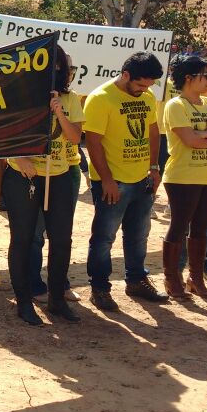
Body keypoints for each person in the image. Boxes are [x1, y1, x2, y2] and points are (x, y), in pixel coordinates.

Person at [1, 45, 83, 325]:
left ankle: (57, 300)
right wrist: (18, 157)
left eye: (57, 65)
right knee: (23, 239)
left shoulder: (71, 100)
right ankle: (23, 301)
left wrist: (60, 112)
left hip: (58, 175)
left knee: (61, 240)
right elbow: (1, 134)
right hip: (22, 176)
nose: (53, 70)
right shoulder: (18, 96)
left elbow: (74, 138)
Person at [84, 52, 168, 311]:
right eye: (140, 85)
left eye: (149, 86)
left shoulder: (147, 97)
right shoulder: (100, 98)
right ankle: (99, 289)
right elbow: (93, 142)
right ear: (125, 75)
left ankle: (136, 280)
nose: (144, 90)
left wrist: (154, 168)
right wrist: (106, 180)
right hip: (114, 183)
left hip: (142, 179)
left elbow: (153, 132)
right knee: (103, 238)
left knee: (139, 234)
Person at [160, 56, 207, 299]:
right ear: (189, 78)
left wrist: (205, 135)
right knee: (179, 227)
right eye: (205, 75)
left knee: (202, 228)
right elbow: (189, 141)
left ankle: (195, 278)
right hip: (183, 175)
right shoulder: (176, 105)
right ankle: (172, 279)